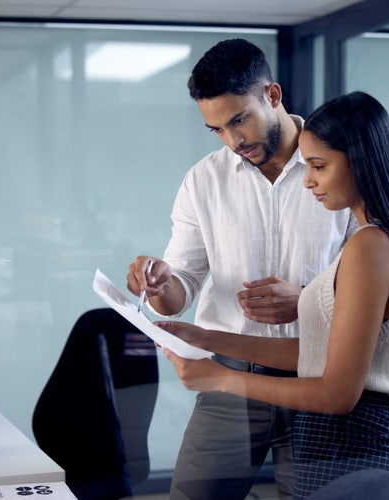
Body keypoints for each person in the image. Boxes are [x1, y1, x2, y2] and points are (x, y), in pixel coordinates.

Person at [159, 91, 389, 500]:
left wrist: (219, 377)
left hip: (352, 450)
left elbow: (336, 393)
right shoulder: (385, 239)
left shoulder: (369, 247)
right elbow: (318, 352)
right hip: (340, 448)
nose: (308, 180)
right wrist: (208, 339)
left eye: (319, 166)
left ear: (361, 160)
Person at [125, 39, 358, 500]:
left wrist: (307, 298)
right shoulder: (202, 180)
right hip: (227, 379)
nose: (234, 141)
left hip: (314, 374)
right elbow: (183, 287)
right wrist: (159, 282)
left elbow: (371, 276)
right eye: (217, 129)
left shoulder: (338, 167)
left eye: (239, 120)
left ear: (272, 95)